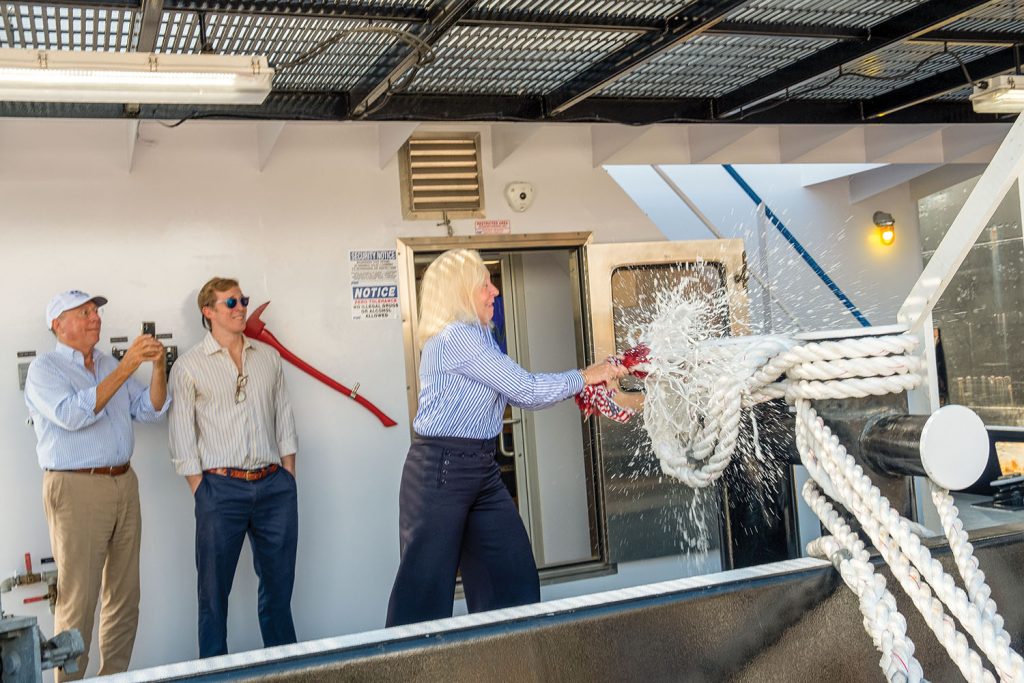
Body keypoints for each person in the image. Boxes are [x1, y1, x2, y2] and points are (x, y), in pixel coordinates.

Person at [385, 249, 629, 627]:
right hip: (441, 470)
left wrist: (583, 382)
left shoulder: (478, 336)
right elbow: (525, 390)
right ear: (462, 291)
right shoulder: (456, 339)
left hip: (480, 468)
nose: (494, 291)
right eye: (485, 283)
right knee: (423, 599)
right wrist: (587, 376)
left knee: (513, 583)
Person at [24, 290, 168, 680]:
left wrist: (157, 367)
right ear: (58, 325)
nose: (95, 318)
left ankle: (114, 677)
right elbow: (72, 416)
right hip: (75, 489)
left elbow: (151, 411)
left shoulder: (108, 363)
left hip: (124, 482)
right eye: (84, 312)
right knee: (78, 600)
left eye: (96, 311)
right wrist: (127, 367)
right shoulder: (45, 370)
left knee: (124, 597)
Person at [168, 277, 299, 658]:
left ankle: (286, 668)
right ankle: (214, 671)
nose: (241, 307)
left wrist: (288, 475)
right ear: (208, 312)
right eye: (231, 303)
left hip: (274, 487)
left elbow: (284, 419)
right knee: (213, 594)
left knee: (278, 589)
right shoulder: (190, 366)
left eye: (242, 300)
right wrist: (201, 490)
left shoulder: (267, 357)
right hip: (220, 491)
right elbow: (181, 438)